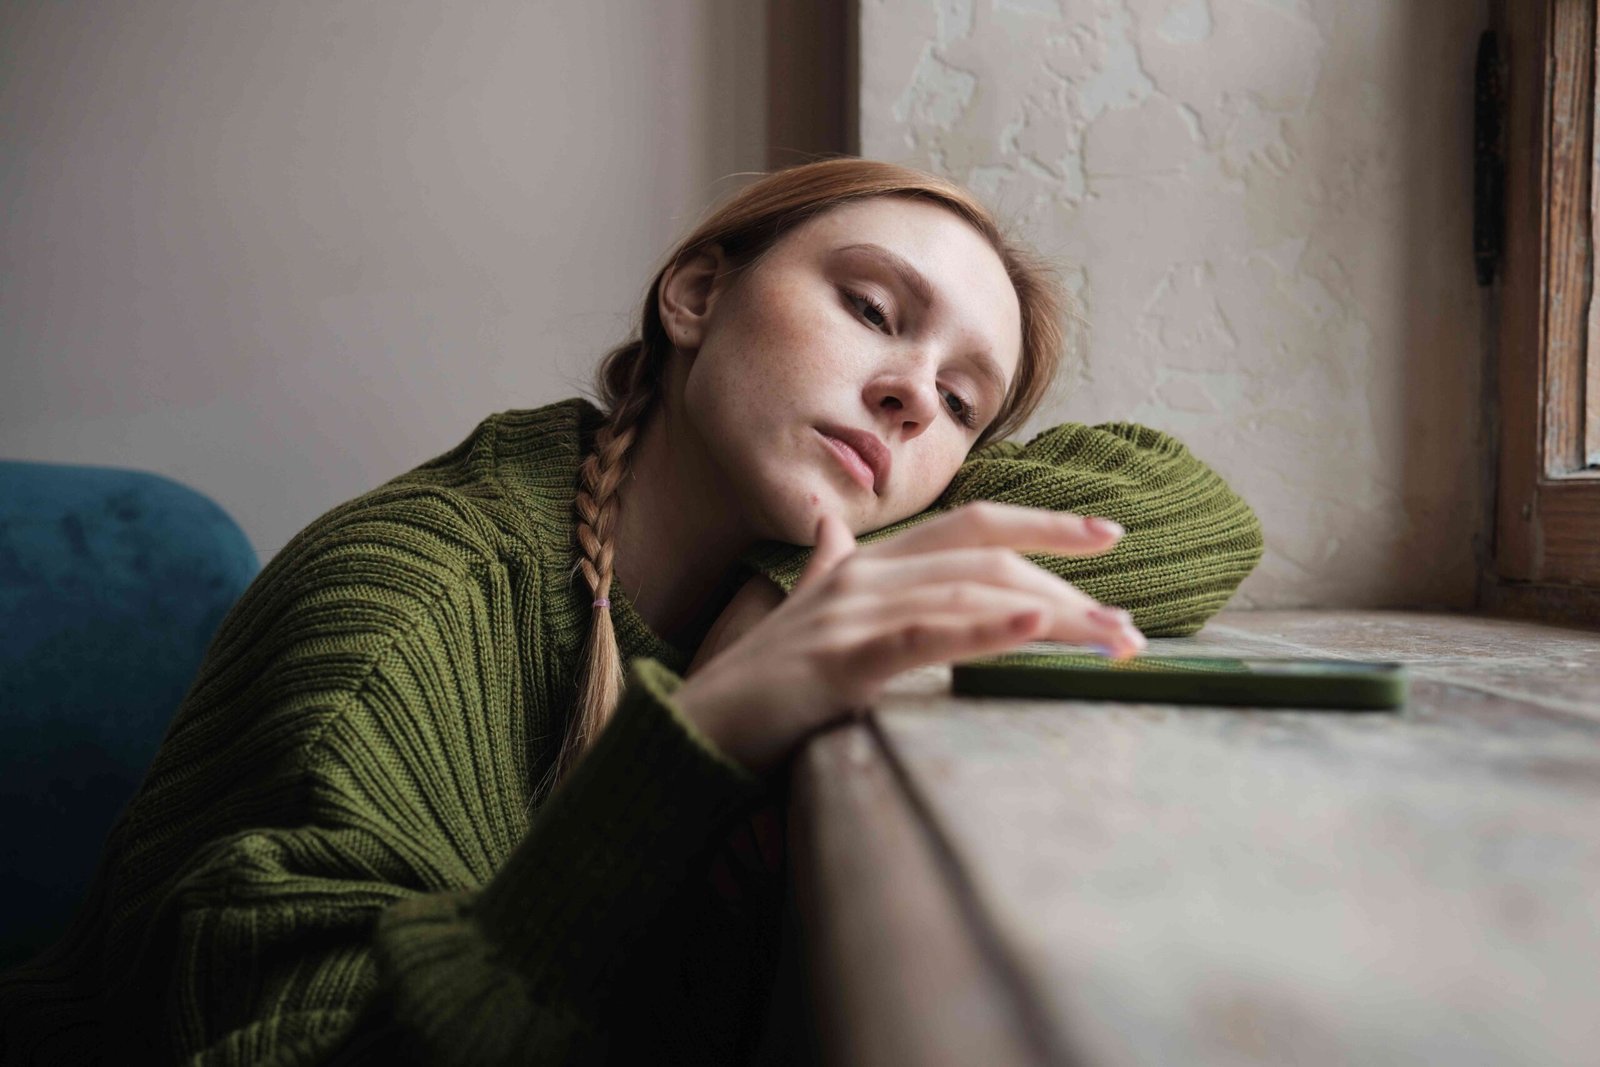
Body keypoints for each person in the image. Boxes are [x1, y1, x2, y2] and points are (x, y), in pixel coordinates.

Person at [0, 158, 1264, 1064]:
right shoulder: (414, 598)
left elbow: (1195, 507)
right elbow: (290, 1038)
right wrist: (699, 734)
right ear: (696, 294)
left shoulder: (766, 561)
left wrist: (788, 592)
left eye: (962, 403)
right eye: (872, 310)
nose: (909, 396)